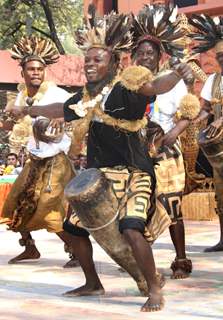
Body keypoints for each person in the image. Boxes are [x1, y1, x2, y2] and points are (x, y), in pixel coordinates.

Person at [10, 11, 192, 312]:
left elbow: (154, 88)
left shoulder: (125, 88)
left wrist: (177, 75)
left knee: (131, 229)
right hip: (102, 175)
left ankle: (155, 288)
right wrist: (29, 111)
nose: (90, 65)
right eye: (88, 61)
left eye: (98, 60)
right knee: (74, 229)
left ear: (114, 64)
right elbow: (61, 107)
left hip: (135, 174)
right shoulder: (86, 97)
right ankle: (92, 281)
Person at [131, 4, 199, 278]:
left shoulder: (172, 80)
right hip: (138, 152)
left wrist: (171, 135)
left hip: (168, 153)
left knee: (172, 204)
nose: (146, 57)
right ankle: (139, 260)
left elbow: (189, 111)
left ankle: (181, 259)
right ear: (135, 57)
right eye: (141, 53)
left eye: (151, 53)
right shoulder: (131, 83)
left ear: (159, 56)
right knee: (137, 204)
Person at [0, 36, 78, 267]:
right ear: (22, 72)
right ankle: (30, 248)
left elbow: (77, 113)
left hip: (56, 161)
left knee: (47, 212)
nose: (36, 73)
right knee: (13, 205)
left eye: (39, 69)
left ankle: (75, 249)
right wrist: (8, 119)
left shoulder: (58, 95)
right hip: (35, 161)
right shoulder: (22, 96)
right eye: (31, 69)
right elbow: (9, 125)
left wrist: (61, 122)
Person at [189, 15, 223, 252]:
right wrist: (189, 120)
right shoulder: (214, 79)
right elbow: (207, 109)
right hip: (218, 148)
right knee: (221, 196)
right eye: (220, 56)